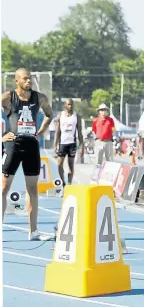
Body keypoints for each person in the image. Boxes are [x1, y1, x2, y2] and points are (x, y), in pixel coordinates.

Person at [2, 68, 54, 240]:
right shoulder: (8, 97)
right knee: (3, 188)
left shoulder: (39, 98)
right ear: (17, 81)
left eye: (30, 78)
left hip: (31, 144)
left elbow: (49, 114)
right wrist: (2, 137)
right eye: (25, 79)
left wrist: (41, 131)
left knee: (32, 189)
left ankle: (33, 231)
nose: (29, 81)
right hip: (13, 145)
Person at [53, 99, 84, 187]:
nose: (70, 106)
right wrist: (55, 145)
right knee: (60, 164)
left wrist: (82, 145)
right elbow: (57, 132)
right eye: (69, 104)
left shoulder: (76, 116)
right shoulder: (61, 115)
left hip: (72, 144)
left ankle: (69, 183)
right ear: (65, 105)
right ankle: (63, 182)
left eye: (72, 105)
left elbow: (80, 132)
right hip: (62, 143)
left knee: (71, 164)